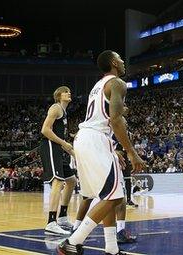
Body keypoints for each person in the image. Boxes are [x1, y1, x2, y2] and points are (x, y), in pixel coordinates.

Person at [58, 50, 145, 255]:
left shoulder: (97, 86)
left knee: (107, 197)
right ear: (114, 62)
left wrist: (114, 147)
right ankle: (73, 241)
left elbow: (106, 116)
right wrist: (131, 151)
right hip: (96, 140)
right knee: (115, 197)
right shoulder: (117, 83)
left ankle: (112, 249)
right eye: (121, 59)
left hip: (84, 139)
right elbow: (115, 120)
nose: (124, 63)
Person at [40, 86, 77, 235]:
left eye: (70, 91)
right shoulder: (56, 108)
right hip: (49, 146)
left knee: (71, 180)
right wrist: (63, 143)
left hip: (58, 149)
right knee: (58, 182)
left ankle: (62, 217)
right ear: (58, 95)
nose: (69, 93)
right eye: (66, 91)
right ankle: (51, 222)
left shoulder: (65, 113)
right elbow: (45, 130)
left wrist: (75, 154)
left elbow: (64, 143)